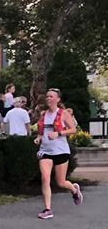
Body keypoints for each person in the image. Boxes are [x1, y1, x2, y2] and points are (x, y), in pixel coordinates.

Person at [35, 88, 83, 218]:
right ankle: (47, 209)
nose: (48, 98)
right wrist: (39, 138)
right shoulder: (44, 114)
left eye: (51, 96)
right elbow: (41, 131)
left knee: (60, 182)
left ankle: (74, 190)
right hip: (45, 151)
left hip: (61, 151)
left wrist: (59, 133)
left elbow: (73, 129)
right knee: (45, 178)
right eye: (47, 97)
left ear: (58, 99)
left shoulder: (63, 113)